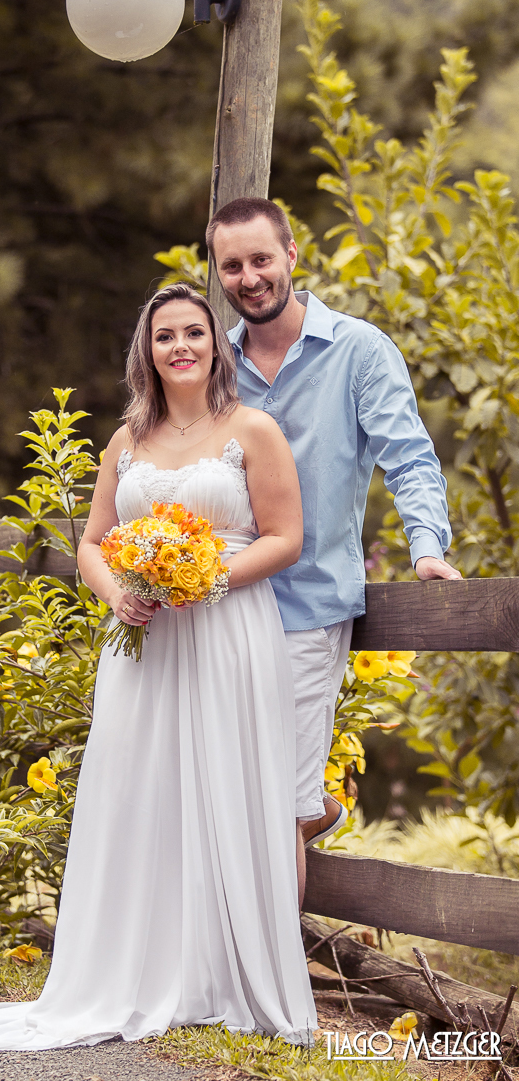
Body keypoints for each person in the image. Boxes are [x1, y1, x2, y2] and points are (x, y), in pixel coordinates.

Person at [0, 282, 316, 1053]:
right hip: (142, 640)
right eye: (164, 335)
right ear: (146, 350)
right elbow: (92, 542)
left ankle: (223, 974)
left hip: (229, 632)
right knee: (143, 791)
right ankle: (137, 968)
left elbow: (284, 538)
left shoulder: (253, 429)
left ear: (217, 347)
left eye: (194, 334)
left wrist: (203, 579)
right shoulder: (126, 441)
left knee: (226, 784)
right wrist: (120, 592)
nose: (180, 346)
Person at [206, 197, 461, 853]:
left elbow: (409, 457)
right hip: (221, 608)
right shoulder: (215, 369)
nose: (249, 277)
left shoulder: (359, 350)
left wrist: (426, 547)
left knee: (276, 813)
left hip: (310, 604)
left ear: (291, 255)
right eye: (232, 265)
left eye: (261, 258)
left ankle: (274, 949)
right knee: (230, 797)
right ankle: (313, 815)